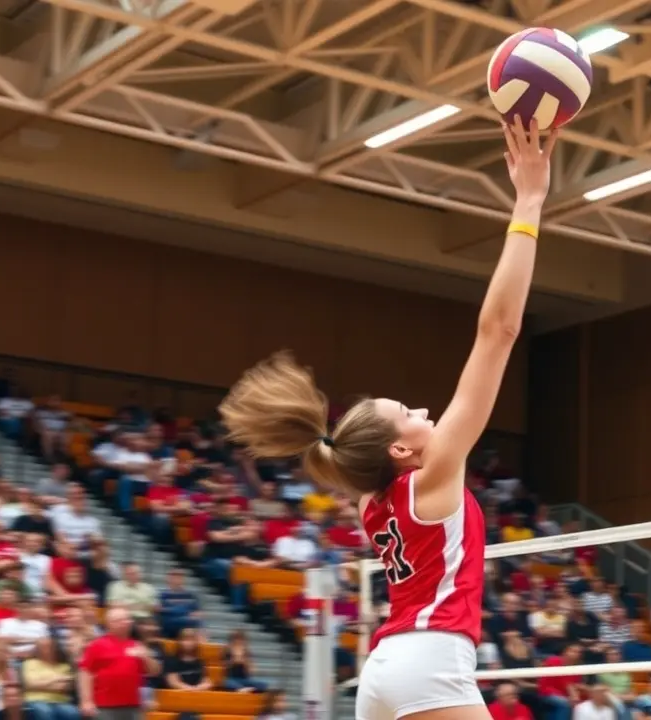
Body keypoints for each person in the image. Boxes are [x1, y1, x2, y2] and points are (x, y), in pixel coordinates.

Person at [219, 116, 556, 720]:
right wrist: (528, 201)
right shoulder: (429, 477)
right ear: (401, 451)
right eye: (408, 413)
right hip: (429, 663)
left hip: (386, 672)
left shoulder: (376, 500)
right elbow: (498, 331)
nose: (426, 411)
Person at [77, 609, 160, 720]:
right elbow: (85, 673)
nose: (126, 622)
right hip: (105, 706)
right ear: (109, 624)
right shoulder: (97, 645)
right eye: (120, 620)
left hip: (133, 705)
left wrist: (146, 657)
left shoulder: (137, 645)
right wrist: (86, 701)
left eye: (127, 619)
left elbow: (155, 671)